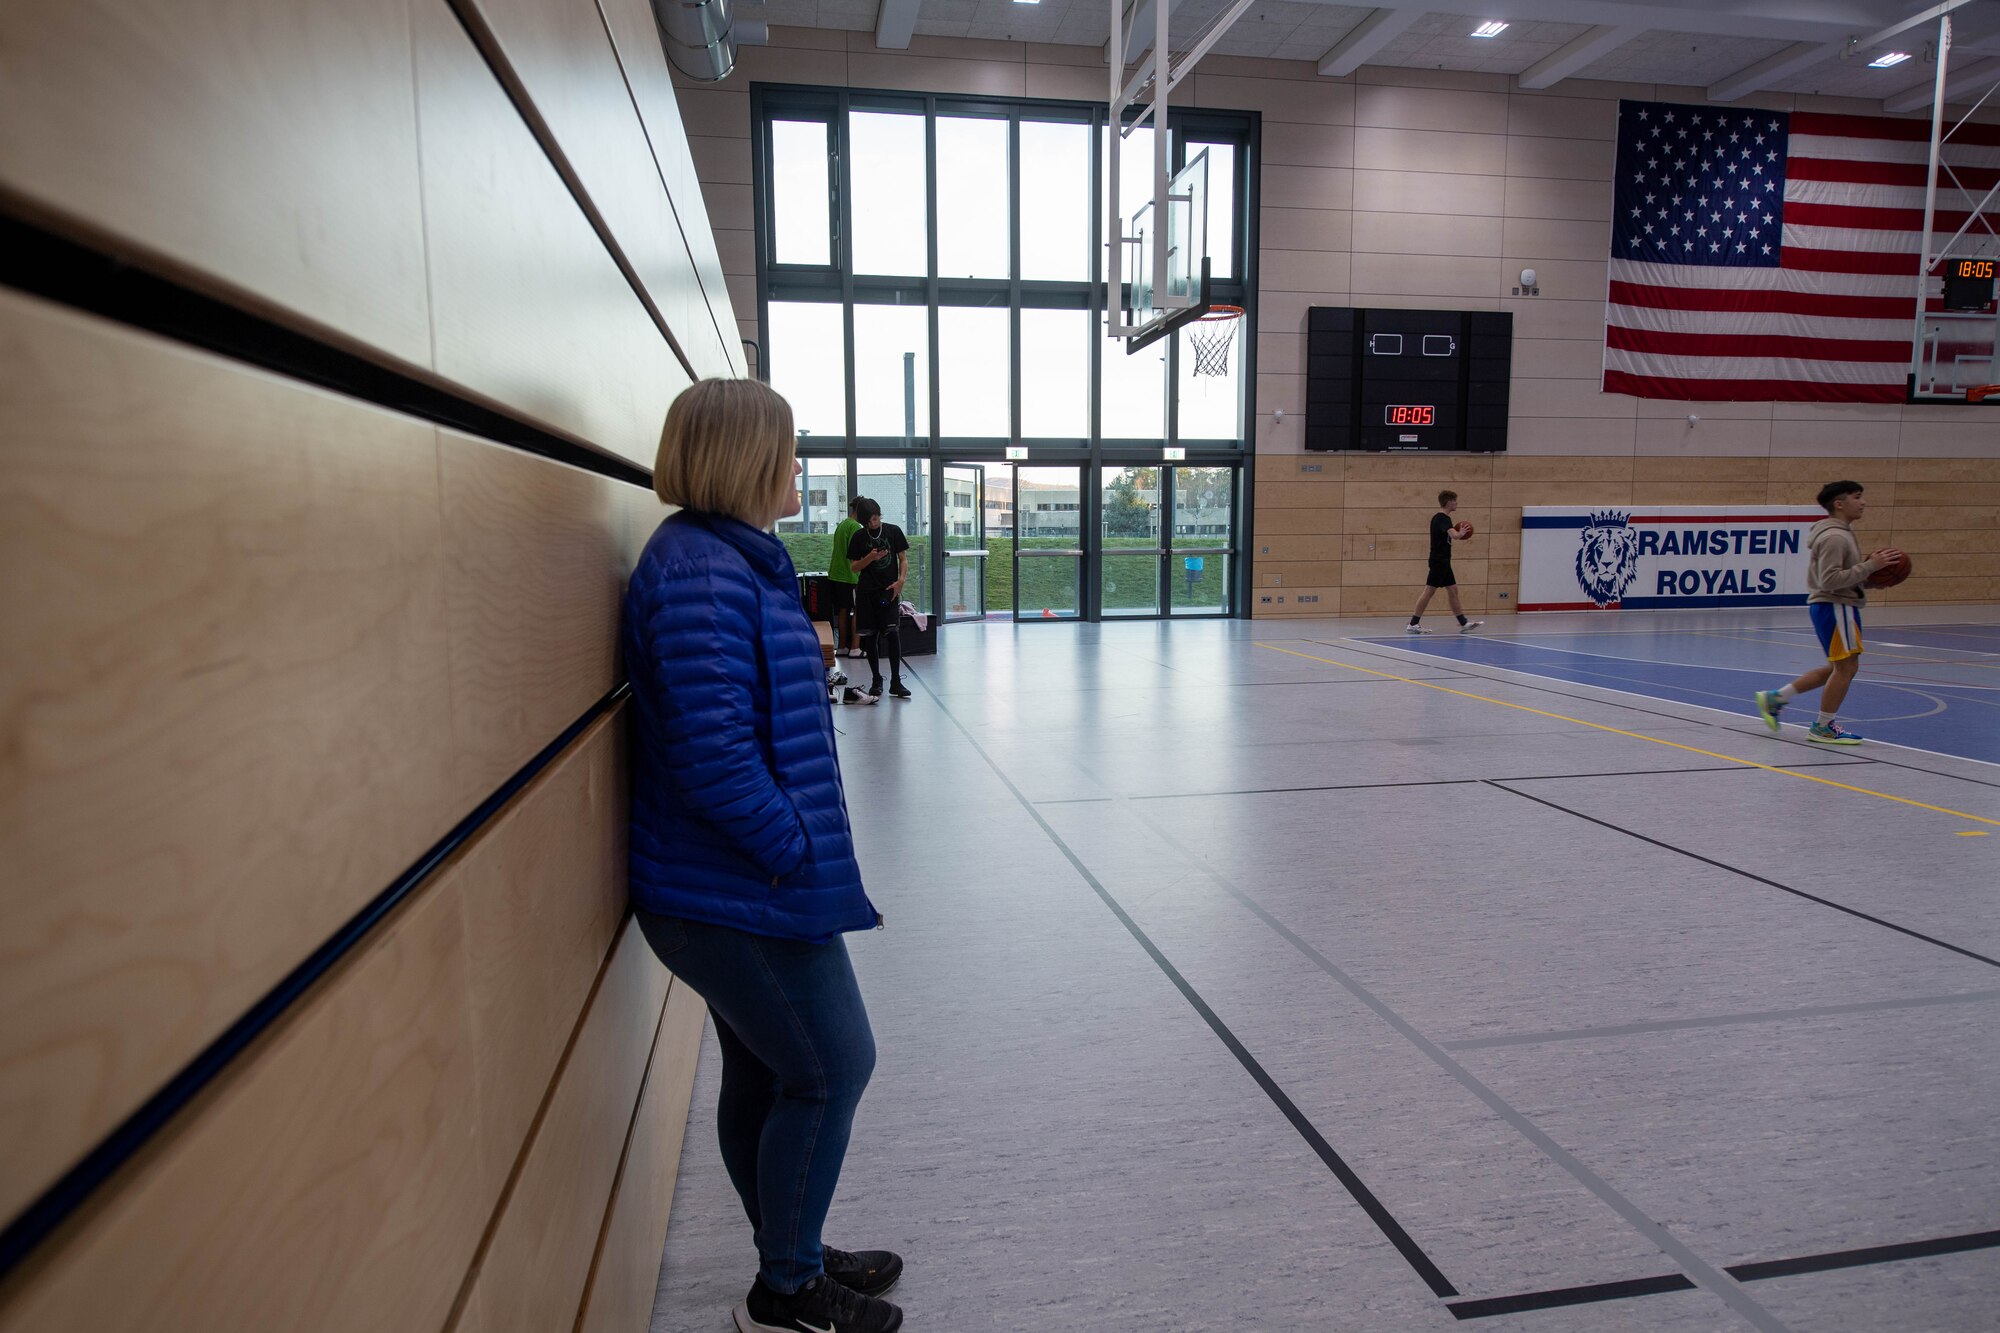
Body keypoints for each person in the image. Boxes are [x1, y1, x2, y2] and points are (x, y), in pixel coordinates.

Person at [622, 378, 904, 1333]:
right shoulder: (703, 573)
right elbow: (712, 757)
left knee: (770, 1074)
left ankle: (791, 1246)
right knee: (833, 1065)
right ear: (744, 457)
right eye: (788, 450)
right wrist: (793, 849)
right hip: (737, 890)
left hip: (739, 885)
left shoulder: (732, 560)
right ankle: (784, 1290)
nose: (798, 468)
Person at [1754, 480, 1903, 746]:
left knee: (1836, 667)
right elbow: (1829, 580)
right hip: (1836, 606)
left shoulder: (1841, 532)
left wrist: (1870, 579)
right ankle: (1823, 727)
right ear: (1839, 503)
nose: (1863, 502)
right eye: (1857, 497)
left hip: (1836, 605)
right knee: (1847, 668)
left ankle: (1776, 698)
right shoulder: (1835, 536)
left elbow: (1842, 577)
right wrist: (1870, 566)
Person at [847, 497, 912, 701]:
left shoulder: (893, 531)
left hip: (889, 590)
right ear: (864, 521)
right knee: (870, 637)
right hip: (867, 593)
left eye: (876, 519)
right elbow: (854, 567)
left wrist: (901, 581)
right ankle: (877, 679)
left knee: (893, 634)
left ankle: (895, 681)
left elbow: (902, 559)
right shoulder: (858, 537)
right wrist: (870, 558)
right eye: (869, 521)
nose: (874, 523)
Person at [1407, 489, 1483, 634]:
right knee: (1429, 591)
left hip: (1444, 561)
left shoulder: (1440, 518)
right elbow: (1454, 535)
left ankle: (1464, 623)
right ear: (1448, 502)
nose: (1456, 503)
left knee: (1453, 589)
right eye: (1454, 500)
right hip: (1439, 561)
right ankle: (1413, 624)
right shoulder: (1443, 518)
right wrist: (1460, 533)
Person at [827, 497, 865, 660]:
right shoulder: (855, 527)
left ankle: (842, 647)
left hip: (836, 574)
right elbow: (855, 554)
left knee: (843, 610)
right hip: (850, 576)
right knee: (858, 610)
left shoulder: (842, 525)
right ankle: (855, 648)